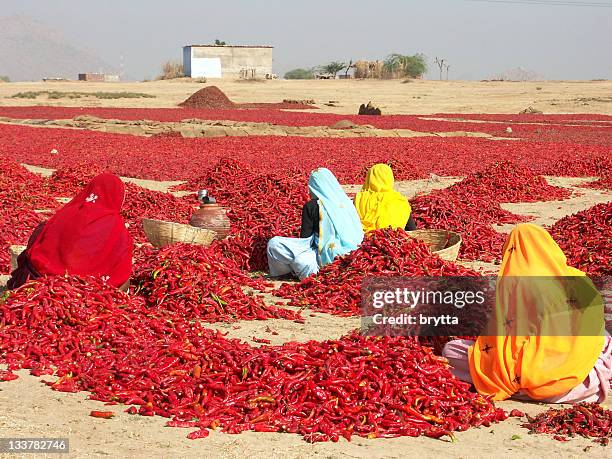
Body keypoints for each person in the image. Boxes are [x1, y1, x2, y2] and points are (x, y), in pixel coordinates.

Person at [442, 224, 611, 403]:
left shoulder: (516, 284)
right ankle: (584, 380)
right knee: (603, 337)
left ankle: (527, 387)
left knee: (451, 351)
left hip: (536, 379)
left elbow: (509, 339)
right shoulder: (578, 278)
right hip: (579, 379)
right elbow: (594, 318)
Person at [8, 173, 133, 291]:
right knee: (125, 276)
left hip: (41, 279)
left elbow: (37, 239)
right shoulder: (117, 226)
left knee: (40, 232)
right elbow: (123, 265)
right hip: (90, 291)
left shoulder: (67, 212)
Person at [267, 168, 364, 279]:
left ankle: (285, 274)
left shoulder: (312, 206)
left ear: (314, 187)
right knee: (302, 260)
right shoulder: (347, 203)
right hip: (355, 258)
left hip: (322, 260)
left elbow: (305, 240)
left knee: (275, 245)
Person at [355, 163, 416, 232]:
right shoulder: (399, 200)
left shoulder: (359, 198)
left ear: (369, 178)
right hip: (392, 239)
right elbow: (412, 229)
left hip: (362, 240)